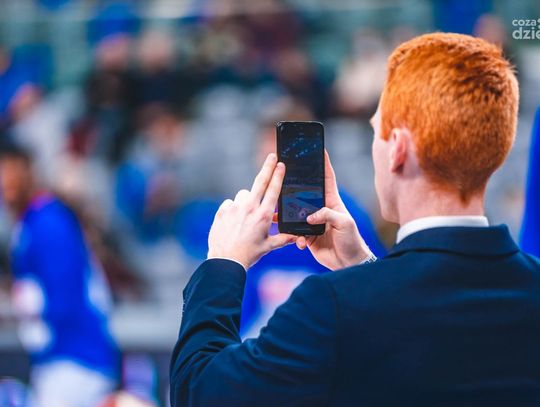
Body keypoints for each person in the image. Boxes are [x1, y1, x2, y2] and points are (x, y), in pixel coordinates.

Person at [170, 33, 540, 406]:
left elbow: (200, 392)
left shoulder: (331, 305)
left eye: (375, 133)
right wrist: (364, 267)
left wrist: (223, 263)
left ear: (397, 149)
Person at [0, 145, 119, 407]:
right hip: (59, 359)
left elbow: (62, 297)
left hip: (75, 359)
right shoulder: (32, 222)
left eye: (10, 172)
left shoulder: (49, 222)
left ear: (27, 170)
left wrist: (18, 310)